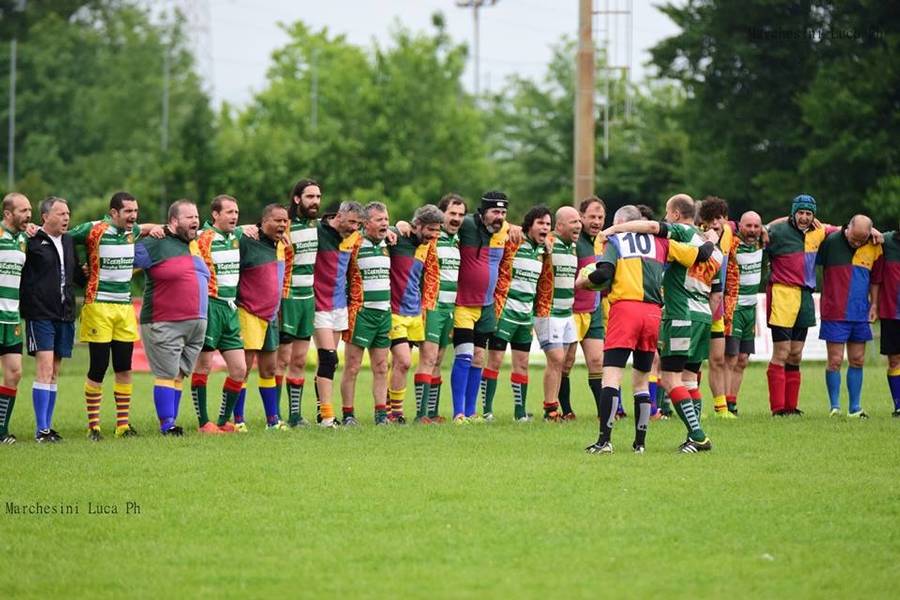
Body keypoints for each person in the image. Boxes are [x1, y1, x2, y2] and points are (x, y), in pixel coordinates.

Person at [578, 205, 718, 454]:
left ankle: (604, 441)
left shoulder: (615, 240)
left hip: (625, 311)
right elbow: (701, 254)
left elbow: (604, 275)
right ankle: (640, 444)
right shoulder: (662, 242)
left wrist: (584, 282)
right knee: (642, 381)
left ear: (620, 222)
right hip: (653, 314)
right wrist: (711, 239)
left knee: (611, 377)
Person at [68, 192, 162, 441]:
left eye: (135, 211)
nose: (133, 216)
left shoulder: (133, 231)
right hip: (98, 306)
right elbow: (64, 237)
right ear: (113, 213)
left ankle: (122, 426)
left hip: (124, 308)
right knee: (98, 367)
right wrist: (77, 268)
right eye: (128, 211)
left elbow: (148, 227)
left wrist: (158, 228)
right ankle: (94, 427)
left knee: (124, 367)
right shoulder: (93, 229)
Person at [133, 200, 210, 436]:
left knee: (179, 374)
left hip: (195, 323)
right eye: (189, 217)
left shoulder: (194, 244)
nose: (195, 221)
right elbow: (120, 258)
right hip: (164, 321)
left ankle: (172, 421)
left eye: (196, 216)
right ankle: (167, 425)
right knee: (166, 373)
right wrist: (145, 228)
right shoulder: (155, 243)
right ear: (174, 221)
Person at [764, 195, 839, 416]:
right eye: (800, 213)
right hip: (782, 294)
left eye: (808, 213)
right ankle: (778, 408)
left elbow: (845, 230)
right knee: (782, 352)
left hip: (806, 296)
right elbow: (757, 231)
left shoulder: (819, 231)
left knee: (796, 354)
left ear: (813, 215)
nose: (804, 217)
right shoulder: (777, 231)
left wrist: (872, 231)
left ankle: (791, 407)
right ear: (793, 213)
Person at [450, 191, 515, 422]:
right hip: (464, 304)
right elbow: (437, 221)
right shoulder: (466, 224)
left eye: (503, 212)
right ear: (482, 212)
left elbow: (531, 231)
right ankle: (458, 413)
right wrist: (402, 225)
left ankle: (471, 412)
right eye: (495, 211)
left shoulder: (504, 229)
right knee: (465, 355)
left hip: (487, 306)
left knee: (479, 358)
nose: (500, 216)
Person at [482, 206, 551, 422]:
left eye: (548, 224)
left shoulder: (544, 251)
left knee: (522, 364)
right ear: (529, 225)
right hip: (504, 313)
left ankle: (520, 413)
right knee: (495, 360)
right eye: (540, 223)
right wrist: (513, 228)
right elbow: (498, 227)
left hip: (525, 317)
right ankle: (487, 411)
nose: (545, 228)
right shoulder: (513, 241)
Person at [191, 195, 251, 433]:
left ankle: (223, 421)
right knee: (204, 365)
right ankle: (203, 423)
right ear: (215, 214)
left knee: (239, 369)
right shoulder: (202, 237)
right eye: (229, 212)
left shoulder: (236, 236)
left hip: (230, 308)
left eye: (236, 212)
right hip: (210, 305)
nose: (234, 216)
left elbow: (254, 227)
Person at [21, 197, 76, 443]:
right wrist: (26, 229)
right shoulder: (32, 240)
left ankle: (48, 427)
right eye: (61, 213)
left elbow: (72, 274)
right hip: (40, 314)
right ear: (45, 217)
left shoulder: (69, 240)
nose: (66, 218)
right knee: (44, 369)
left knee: (54, 371)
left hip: (64, 314)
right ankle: (41, 429)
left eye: (68, 213)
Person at [817, 214, 882, 418]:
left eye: (861, 239)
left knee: (858, 360)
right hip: (834, 312)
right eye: (854, 238)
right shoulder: (830, 241)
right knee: (835, 360)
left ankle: (855, 408)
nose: (857, 243)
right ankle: (834, 407)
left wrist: (874, 304)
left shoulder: (874, 245)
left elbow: (875, 279)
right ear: (847, 228)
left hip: (860, 312)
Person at [387, 205, 442, 423]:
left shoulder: (427, 246)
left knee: (401, 364)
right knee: (404, 361)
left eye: (437, 230)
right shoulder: (397, 237)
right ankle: (395, 413)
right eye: (430, 229)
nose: (434, 235)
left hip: (415, 312)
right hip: (395, 311)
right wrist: (394, 226)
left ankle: (390, 411)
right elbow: (374, 231)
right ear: (417, 225)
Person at [237, 204, 290, 430]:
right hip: (248, 312)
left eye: (285, 221)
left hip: (271, 315)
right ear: (264, 221)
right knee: (243, 369)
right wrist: (241, 229)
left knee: (269, 369)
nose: (282, 225)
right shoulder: (247, 240)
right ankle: (237, 420)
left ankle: (272, 421)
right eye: (277, 220)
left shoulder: (282, 244)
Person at [341, 202, 393, 425]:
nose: (385, 223)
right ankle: (348, 415)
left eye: (386, 219)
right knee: (352, 366)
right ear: (366, 223)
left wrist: (397, 227)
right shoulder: (354, 243)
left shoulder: (389, 242)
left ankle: (381, 415)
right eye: (379, 219)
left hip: (384, 313)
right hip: (360, 313)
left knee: (381, 366)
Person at [312, 201, 363, 427]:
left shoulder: (355, 236)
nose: (354, 227)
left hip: (339, 305)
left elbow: (382, 229)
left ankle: (322, 411)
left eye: (358, 224)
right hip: (318, 303)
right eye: (351, 222)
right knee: (329, 358)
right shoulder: (317, 230)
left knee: (328, 363)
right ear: (339, 216)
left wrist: (399, 227)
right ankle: (327, 417)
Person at [415, 194, 465, 422]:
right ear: (441, 214)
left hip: (449, 308)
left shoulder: (458, 240)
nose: (456, 218)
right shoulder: (431, 238)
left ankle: (432, 413)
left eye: (460, 215)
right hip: (432, 306)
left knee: (438, 359)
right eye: (452, 213)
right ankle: (420, 414)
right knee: (428, 358)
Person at [278, 179, 321, 427]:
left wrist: (398, 226)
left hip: (308, 299)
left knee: (300, 360)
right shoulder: (284, 225)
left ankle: (295, 415)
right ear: (297, 199)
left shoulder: (318, 226)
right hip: (287, 298)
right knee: (282, 360)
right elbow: (255, 228)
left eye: (318, 197)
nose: (315, 201)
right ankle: (274, 415)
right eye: (310, 197)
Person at [534, 206, 581, 420]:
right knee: (556, 359)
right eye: (573, 222)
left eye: (579, 221)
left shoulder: (573, 247)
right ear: (559, 226)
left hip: (567, 312)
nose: (578, 225)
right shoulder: (549, 243)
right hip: (548, 311)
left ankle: (561, 408)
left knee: (567, 360)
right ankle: (550, 410)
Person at [561, 197, 606, 419]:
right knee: (566, 362)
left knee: (597, 361)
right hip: (572, 310)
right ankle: (566, 410)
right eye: (592, 217)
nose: (596, 221)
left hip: (594, 310)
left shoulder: (603, 241)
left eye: (600, 217)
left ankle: (603, 412)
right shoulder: (574, 241)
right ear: (581, 217)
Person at [697, 196, 740, 418]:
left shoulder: (729, 232)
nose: (715, 223)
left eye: (719, 218)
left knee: (717, 358)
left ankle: (721, 409)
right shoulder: (697, 237)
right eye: (711, 219)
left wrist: (762, 230)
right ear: (703, 221)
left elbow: (747, 225)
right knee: (693, 361)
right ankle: (693, 407)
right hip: (696, 303)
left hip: (717, 307)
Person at [724, 211, 765, 415]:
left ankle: (732, 403)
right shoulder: (731, 243)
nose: (752, 230)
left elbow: (784, 223)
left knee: (743, 359)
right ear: (740, 226)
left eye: (756, 226)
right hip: (734, 308)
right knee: (730, 358)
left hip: (751, 308)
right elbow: (724, 226)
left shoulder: (762, 243)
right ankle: (722, 406)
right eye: (748, 226)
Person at [0, 193, 31, 445]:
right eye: (23, 211)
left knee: (15, 372)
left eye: (30, 210)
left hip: (12, 317)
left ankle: (1, 431)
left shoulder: (23, 238)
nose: (28, 214)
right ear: (8, 214)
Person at [872, 226, 900, 416]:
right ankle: (898, 405)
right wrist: (874, 305)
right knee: (894, 360)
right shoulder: (887, 241)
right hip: (892, 313)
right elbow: (859, 231)